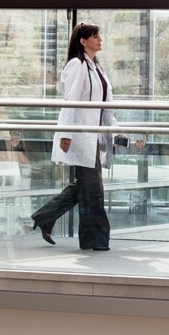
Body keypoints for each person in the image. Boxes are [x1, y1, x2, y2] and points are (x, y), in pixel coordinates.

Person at [31, 22, 123, 251]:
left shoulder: (96, 67)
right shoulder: (77, 65)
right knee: (93, 188)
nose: (100, 39)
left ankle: (46, 217)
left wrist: (117, 129)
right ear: (83, 41)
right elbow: (70, 101)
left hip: (94, 136)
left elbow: (105, 107)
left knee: (86, 186)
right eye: (95, 36)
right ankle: (97, 241)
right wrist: (65, 134)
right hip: (80, 136)